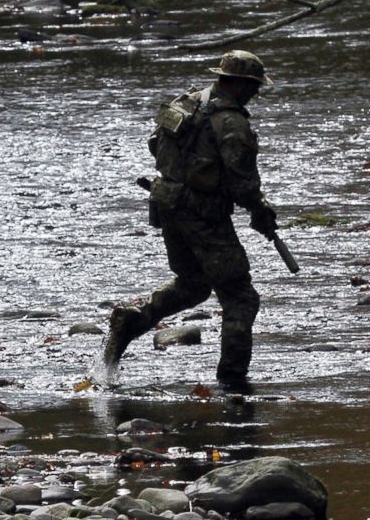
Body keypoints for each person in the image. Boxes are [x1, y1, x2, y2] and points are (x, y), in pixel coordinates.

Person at [102, 50, 279, 387]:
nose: (256, 93)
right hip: (205, 215)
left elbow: (155, 145)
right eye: (254, 87)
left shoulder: (184, 103)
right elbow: (243, 182)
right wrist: (260, 209)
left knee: (193, 284)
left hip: (167, 205)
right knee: (240, 297)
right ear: (239, 84)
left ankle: (133, 320)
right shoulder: (233, 123)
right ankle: (233, 382)